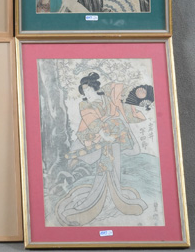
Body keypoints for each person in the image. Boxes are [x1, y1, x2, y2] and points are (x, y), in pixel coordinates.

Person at [55, 72, 151, 226]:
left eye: (88, 90)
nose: (86, 94)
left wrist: (140, 100)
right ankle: (96, 201)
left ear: (95, 88)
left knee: (115, 169)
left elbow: (120, 102)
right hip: (100, 139)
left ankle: (116, 197)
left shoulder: (107, 98)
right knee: (103, 170)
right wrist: (104, 135)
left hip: (114, 139)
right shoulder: (85, 105)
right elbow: (91, 121)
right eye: (84, 91)